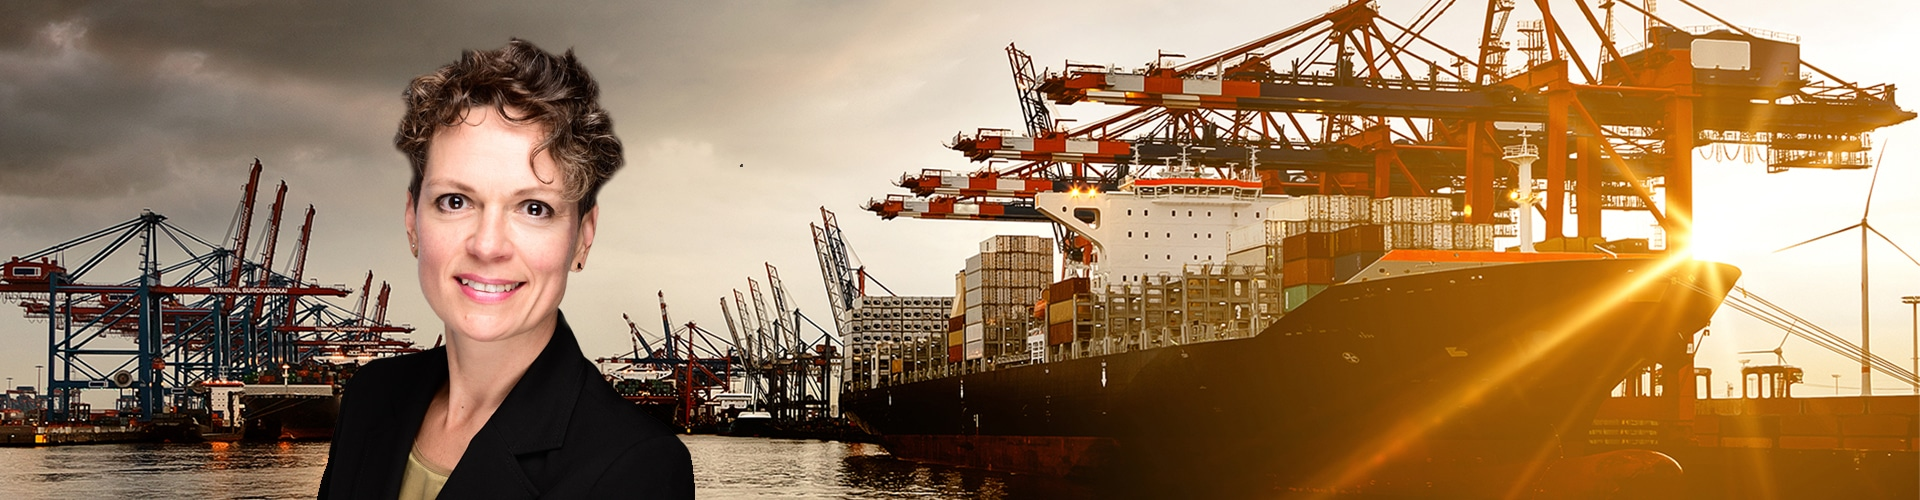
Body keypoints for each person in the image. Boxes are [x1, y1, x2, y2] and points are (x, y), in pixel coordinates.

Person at [319, 39, 693, 499]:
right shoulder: (370, 398)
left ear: (582, 238)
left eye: (533, 208)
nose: (488, 245)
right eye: (455, 201)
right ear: (412, 221)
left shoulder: (636, 466)